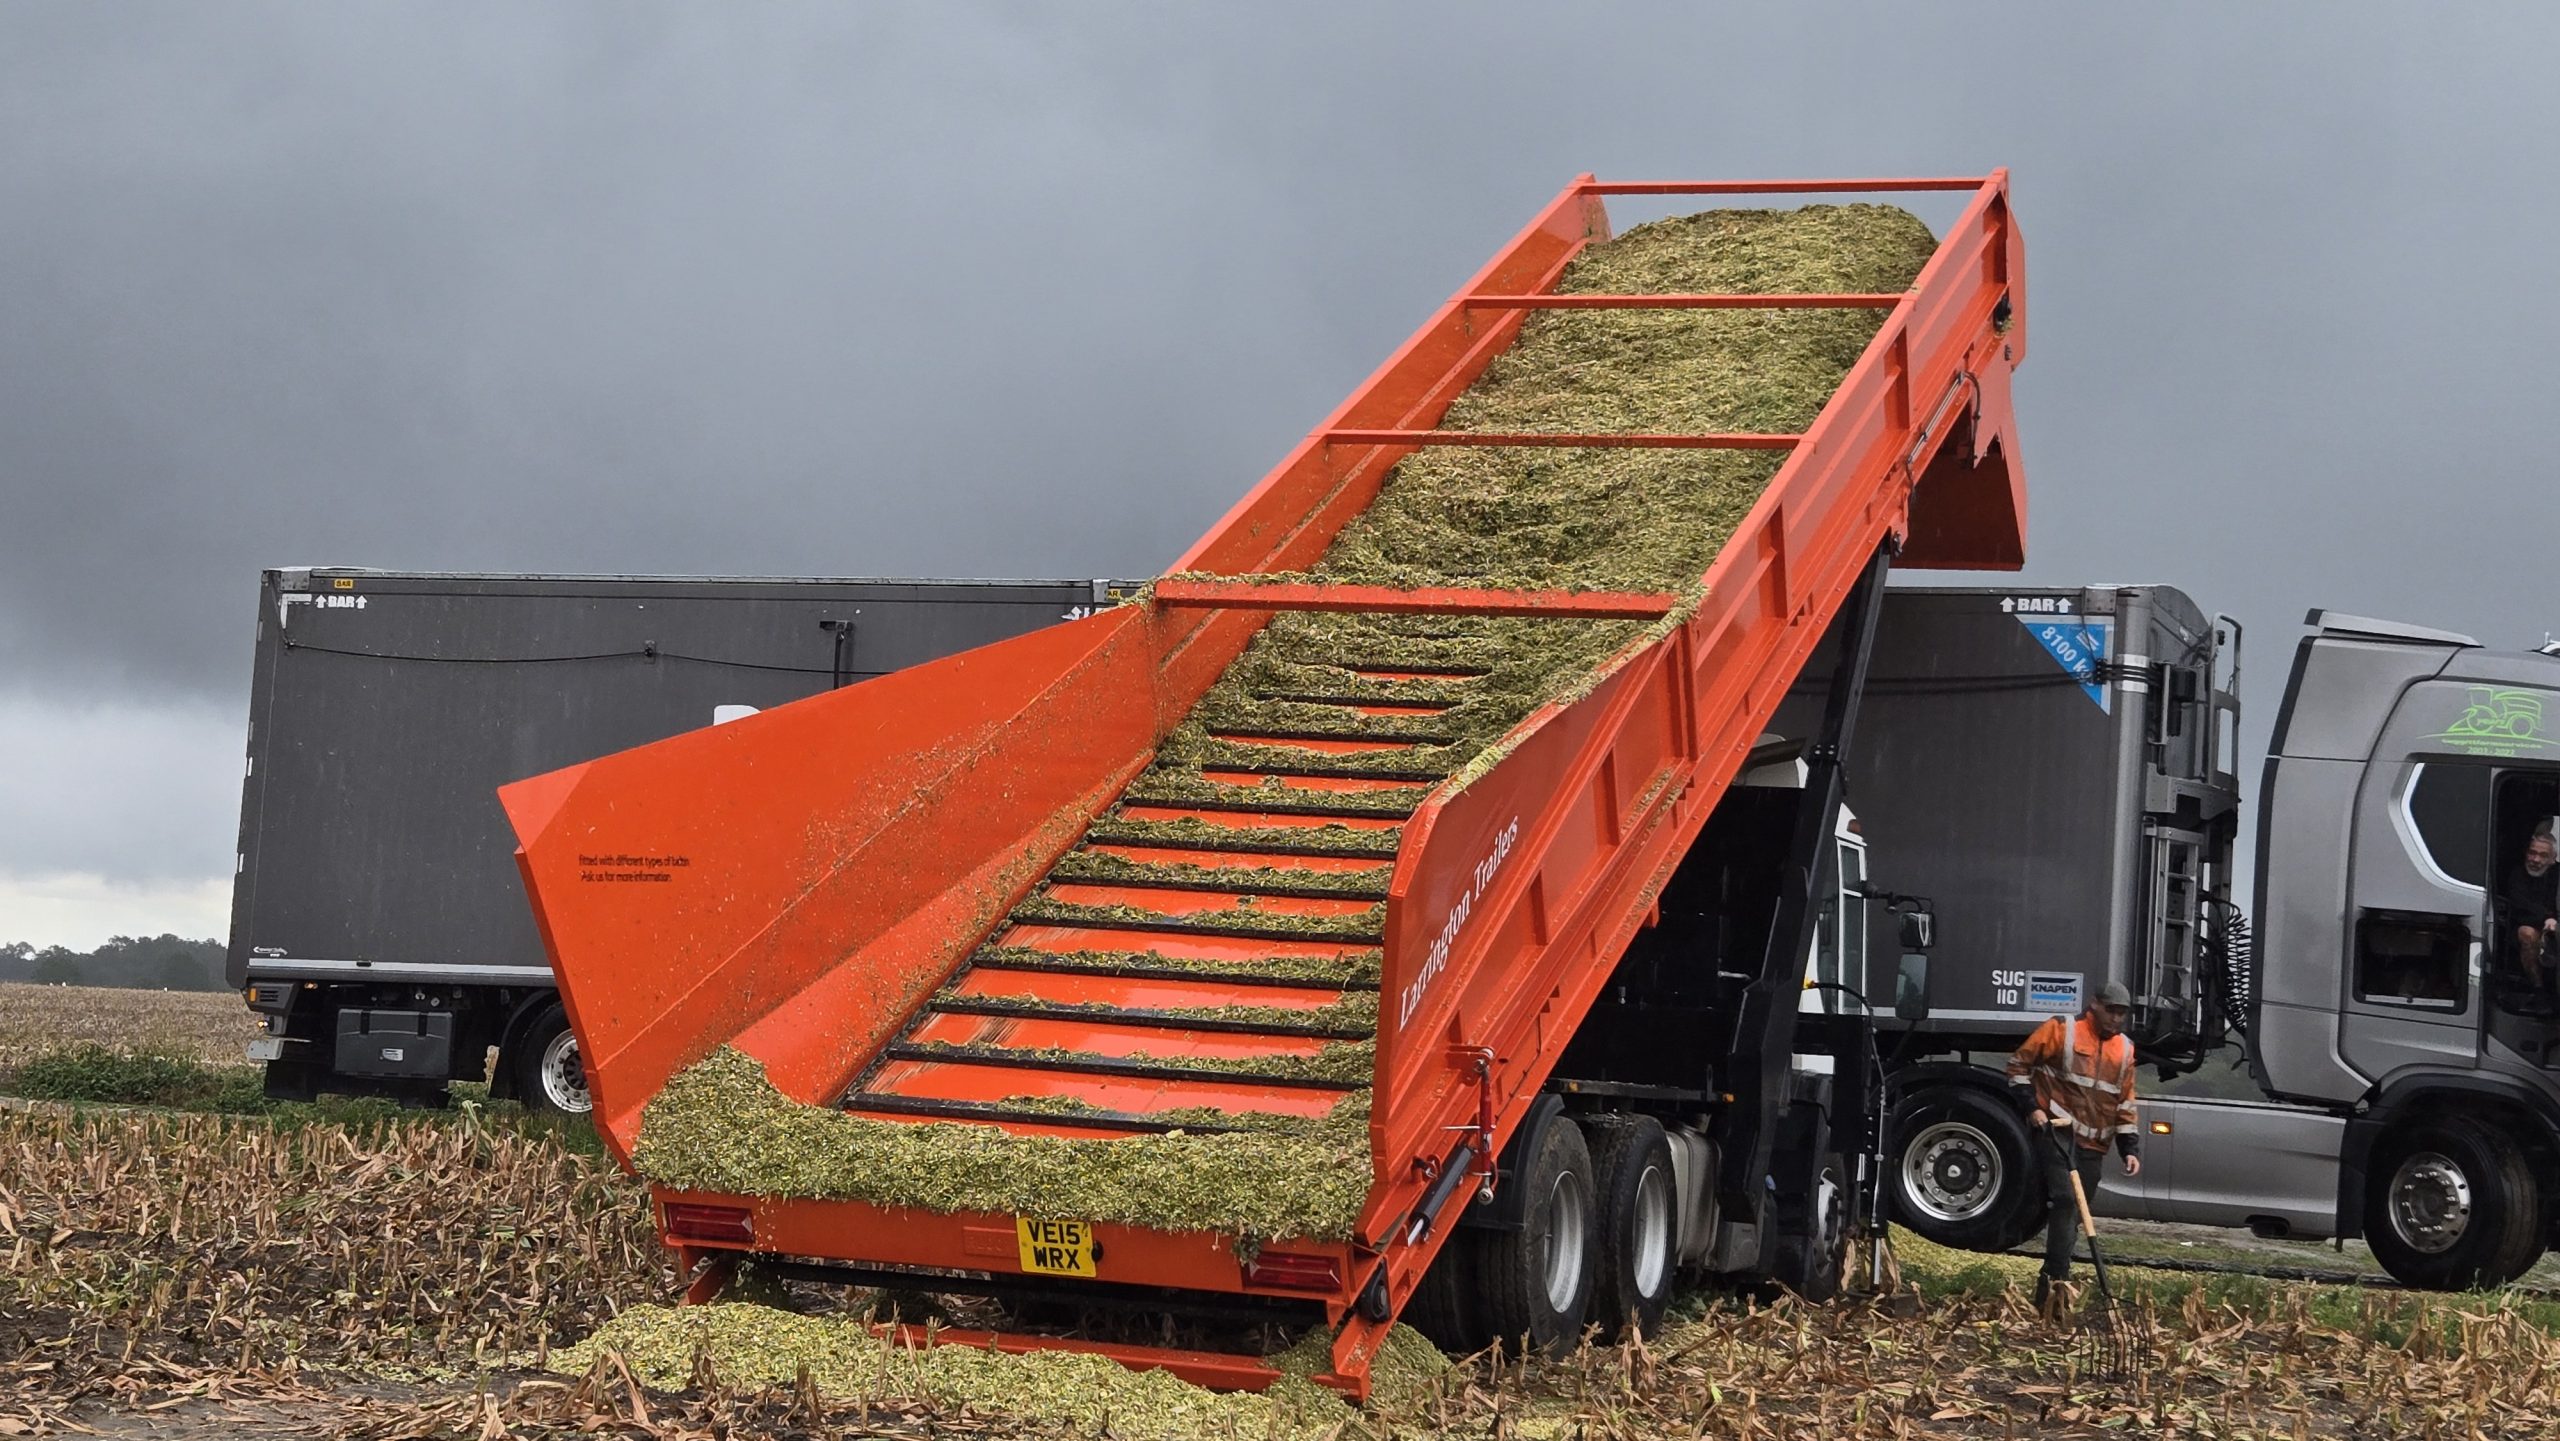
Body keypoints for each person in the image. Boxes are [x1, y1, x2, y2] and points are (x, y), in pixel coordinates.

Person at [2006, 981, 2141, 1307]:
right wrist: (2033, 1108)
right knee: (2066, 1200)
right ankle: (2056, 1281)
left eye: (2121, 1013)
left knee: (2077, 1211)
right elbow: (2018, 1067)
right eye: (2111, 1010)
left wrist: (2129, 1149)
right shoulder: (2062, 1030)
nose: (2116, 1018)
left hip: (2094, 1146)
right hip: (2057, 1134)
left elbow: (2125, 1103)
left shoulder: (2124, 1050)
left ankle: (2053, 1286)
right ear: (2094, 1005)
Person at [2501, 829, 2559, 992]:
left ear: (2552, 859)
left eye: (2543, 855)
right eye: (2532, 853)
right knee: (2527, 933)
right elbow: (2520, 904)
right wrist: (2547, 918)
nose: (2535, 859)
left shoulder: (2557, 874)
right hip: (2525, 925)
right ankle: (2538, 989)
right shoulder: (2517, 874)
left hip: (2555, 927)